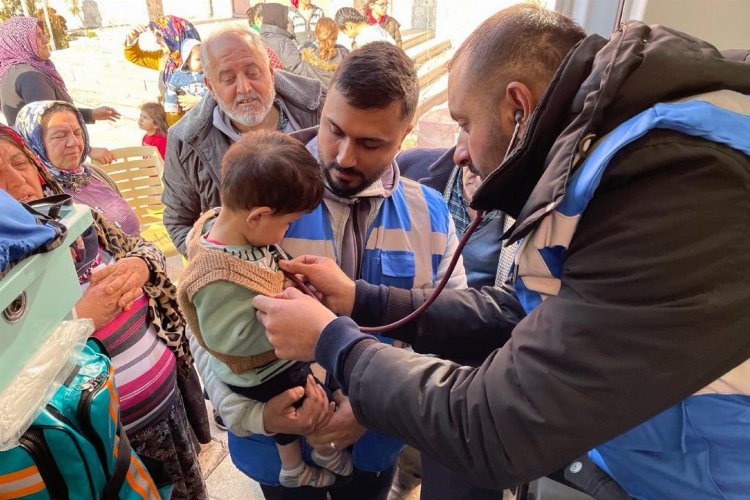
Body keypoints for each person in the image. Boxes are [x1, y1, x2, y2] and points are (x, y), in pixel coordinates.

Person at [253, 5, 750, 499]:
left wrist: (332, 341)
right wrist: (362, 299)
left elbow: (493, 426)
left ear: (518, 109)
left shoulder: (673, 187)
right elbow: (519, 310)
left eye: (464, 123)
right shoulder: (613, 162)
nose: (459, 151)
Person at [193, 41, 466, 500]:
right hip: (275, 454)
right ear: (322, 108)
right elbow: (204, 324)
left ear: (406, 136)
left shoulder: (432, 216)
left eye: (370, 143)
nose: (342, 157)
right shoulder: (260, 192)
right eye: (334, 130)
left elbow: (449, 337)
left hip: (374, 446)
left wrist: (369, 408)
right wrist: (255, 415)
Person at [0, 124, 208, 499]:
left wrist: (139, 266)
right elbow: (11, 378)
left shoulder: (75, 218)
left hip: (165, 406)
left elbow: (143, 247)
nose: (16, 182)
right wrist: (78, 321)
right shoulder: (6, 271)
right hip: (102, 443)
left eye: (19, 163)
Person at [179, 130, 356, 489]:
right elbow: (225, 338)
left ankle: (297, 465)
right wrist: (286, 311)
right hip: (260, 373)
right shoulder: (216, 277)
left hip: (267, 369)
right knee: (314, 390)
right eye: (287, 223)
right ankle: (319, 452)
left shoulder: (228, 230)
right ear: (258, 216)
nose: (287, 231)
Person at [162, 27, 325, 255]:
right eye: (228, 79)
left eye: (253, 73)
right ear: (210, 86)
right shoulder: (186, 140)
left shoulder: (321, 109)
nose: (244, 88)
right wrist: (225, 265)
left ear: (270, 71)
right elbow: (178, 222)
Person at [0, 16, 120, 164]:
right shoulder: (30, 76)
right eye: (37, 36)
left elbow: (50, 112)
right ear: (19, 42)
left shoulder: (11, 71)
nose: (45, 40)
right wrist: (89, 150)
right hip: (53, 161)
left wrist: (91, 114)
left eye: (43, 34)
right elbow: (51, 124)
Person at [15, 100, 141, 237]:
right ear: (35, 144)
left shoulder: (93, 174)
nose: (74, 142)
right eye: (60, 136)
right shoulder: (43, 199)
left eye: (77, 133)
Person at [300, 17, 349, 89]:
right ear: (336, 36)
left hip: (319, 99)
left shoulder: (308, 59)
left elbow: (305, 87)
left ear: (316, 35)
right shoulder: (345, 55)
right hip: (342, 99)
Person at [165, 39, 208, 120]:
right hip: (189, 114)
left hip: (208, 111)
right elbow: (171, 88)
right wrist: (172, 106)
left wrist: (199, 100)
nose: (202, 62)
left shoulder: (209, 74)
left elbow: (215, 92)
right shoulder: (179, 75)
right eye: (198, 59)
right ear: (187, 61)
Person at [261, 3, 307, 74]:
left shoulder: (262, 37)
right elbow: (299, 70)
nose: (288, 22)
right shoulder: (283, 42)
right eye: (285, 18)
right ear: (278, 19)